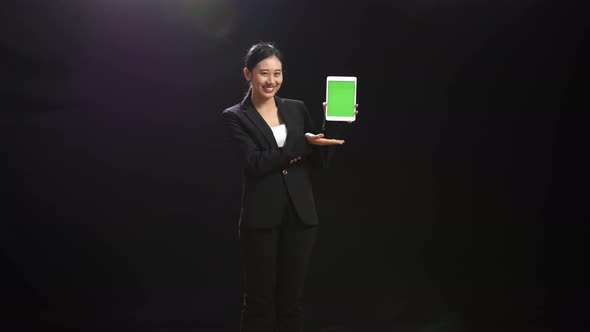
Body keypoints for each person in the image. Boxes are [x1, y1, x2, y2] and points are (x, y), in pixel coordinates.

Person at [221, 42, 357, 332]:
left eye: (278, 73)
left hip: (301, 217)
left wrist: (333, 123)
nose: (271, 81)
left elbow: (319, 160)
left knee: (291, 302)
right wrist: (301, 145)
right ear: (248, 74)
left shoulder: (296, 109)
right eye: (263, 73)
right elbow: (255, 163)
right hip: (261, 220)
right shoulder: (235, 116)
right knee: (258, 303)